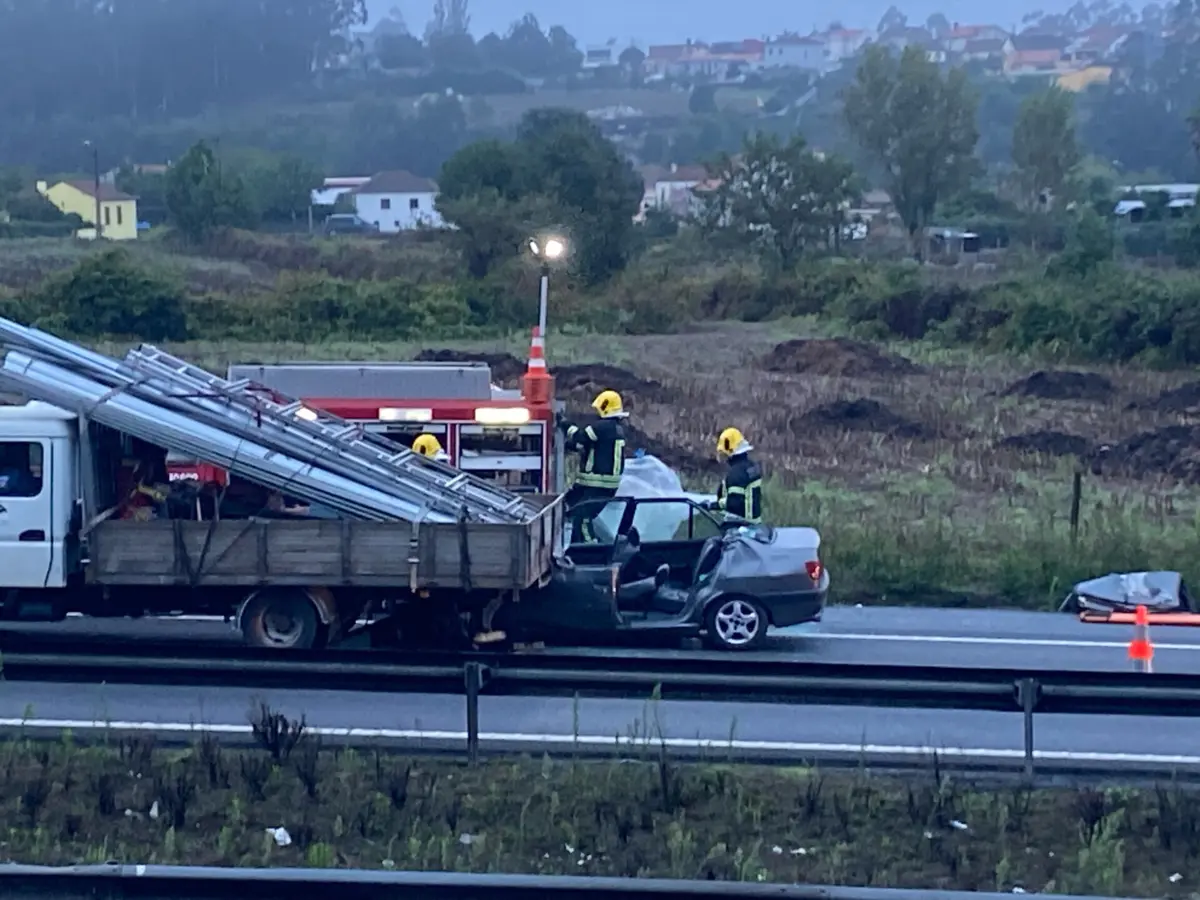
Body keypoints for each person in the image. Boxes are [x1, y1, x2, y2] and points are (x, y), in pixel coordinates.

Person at [559, 389, 629, 543]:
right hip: (598, 485)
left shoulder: (603, 427)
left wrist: (565, 424)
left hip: (596, 484)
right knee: (570, 508)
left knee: (583, 518)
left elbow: (580, 436)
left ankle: (591, 550)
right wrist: (572, 446)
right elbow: (591, 446)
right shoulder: (615, 428)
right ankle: (576, 546)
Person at [705, 427, 764, 524]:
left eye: (723, 452)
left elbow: (734, 503)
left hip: (741, 525)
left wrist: (712, 505)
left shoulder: (736, 473)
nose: (722, 455)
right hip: (755, 524)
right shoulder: (752, 466)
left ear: (729, 451)